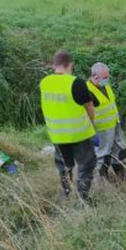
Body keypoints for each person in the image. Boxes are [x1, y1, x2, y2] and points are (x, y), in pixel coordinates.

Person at [39, 50, 97, 202]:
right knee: (86, 164)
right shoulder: (77, 82)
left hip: (57, 134)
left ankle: (66, 192)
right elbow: (90, 107)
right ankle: (83, 198)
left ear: (54, 65)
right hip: (79, 134)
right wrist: (92, 124)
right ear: (70, 64)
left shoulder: (44, 82)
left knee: (64, 165)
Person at [87, 62, 126, 181]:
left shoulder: (105, 85)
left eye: (107, 76)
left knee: (120, 149)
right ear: (95, 77)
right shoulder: (87, 91)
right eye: (105, 78)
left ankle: (122, 177)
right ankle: (102, 183)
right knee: (103, 156)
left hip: (114, 124)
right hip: (102, 129)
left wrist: (118, 118)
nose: (107, 79)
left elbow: (110, 104)